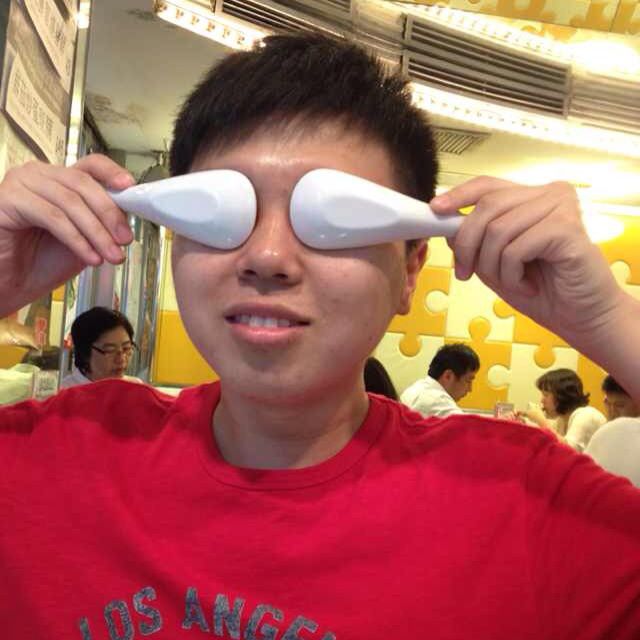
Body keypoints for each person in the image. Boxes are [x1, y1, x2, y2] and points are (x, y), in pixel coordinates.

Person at [1, 33, 640, 639]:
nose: (268, 256)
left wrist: (611, 319)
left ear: (410, 270)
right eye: (224, 214)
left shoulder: (525, 502)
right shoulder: (60, 453)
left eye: (333, 222)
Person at [522, 368, 606, 451]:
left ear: (562, 395)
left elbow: (569, 451)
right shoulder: (562, 419)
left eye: (546, 395)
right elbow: (548, 431)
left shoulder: (586, 415)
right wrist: (523, 421)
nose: (542, 400)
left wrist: (541, 420)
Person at [60, 306, 142, 388]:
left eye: (126, 348)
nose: (121, 359)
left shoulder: (136, 388)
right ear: (84, 353)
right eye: (110, 350)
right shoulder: (65, 391)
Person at [400, 343, 479, 417]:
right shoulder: (437, 401)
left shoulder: (415, 388)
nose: (470, 389)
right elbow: (466, 425)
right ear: (448, 376)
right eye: (468, 380)